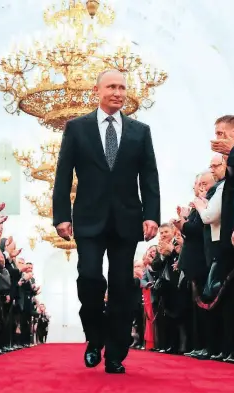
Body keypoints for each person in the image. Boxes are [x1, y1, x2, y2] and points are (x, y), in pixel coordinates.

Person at [53, 69, 161, 374]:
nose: (118, 92)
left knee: (121, 287)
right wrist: (61, 216)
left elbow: (149, 177)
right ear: (97, 90)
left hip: (127, 219)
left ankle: (115, 353)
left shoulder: (141, 131)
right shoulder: (77, 128)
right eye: (112, 86)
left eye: (122, 87)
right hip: (87, 218)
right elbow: (63, 175)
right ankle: (94, 337)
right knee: (89, 277)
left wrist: (152, 215)